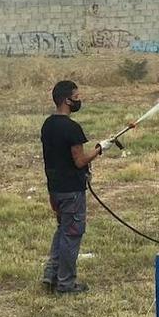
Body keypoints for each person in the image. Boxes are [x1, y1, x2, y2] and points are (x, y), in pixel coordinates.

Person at [40, 80, 115, 295]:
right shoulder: (71, 128)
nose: (79, 99)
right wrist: (100, 148)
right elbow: (80, 161)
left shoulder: (48, 125)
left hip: (55, 189)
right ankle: (66, 284)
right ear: (66, 100)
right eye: (76, 95)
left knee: (62, 230)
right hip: (72, 191)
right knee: (72, 235)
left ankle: (51, 274)